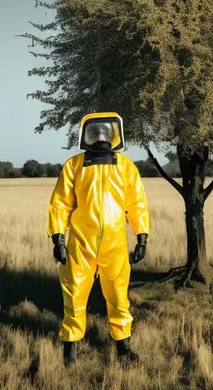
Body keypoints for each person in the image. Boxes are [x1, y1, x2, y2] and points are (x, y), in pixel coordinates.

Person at [47, 112, 150, 366]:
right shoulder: (74, 166)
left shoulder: (125, 167)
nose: (101, 138)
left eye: (105, 133)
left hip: (114, 245)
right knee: (73, 294)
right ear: (86, 134)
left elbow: (137, 204)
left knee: (118, 295)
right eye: (96, 133)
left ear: (115, 135)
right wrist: (58, 238)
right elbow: (60, 203)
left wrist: (142, 236)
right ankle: (70, 353)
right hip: (80, 243)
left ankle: (123, 350)